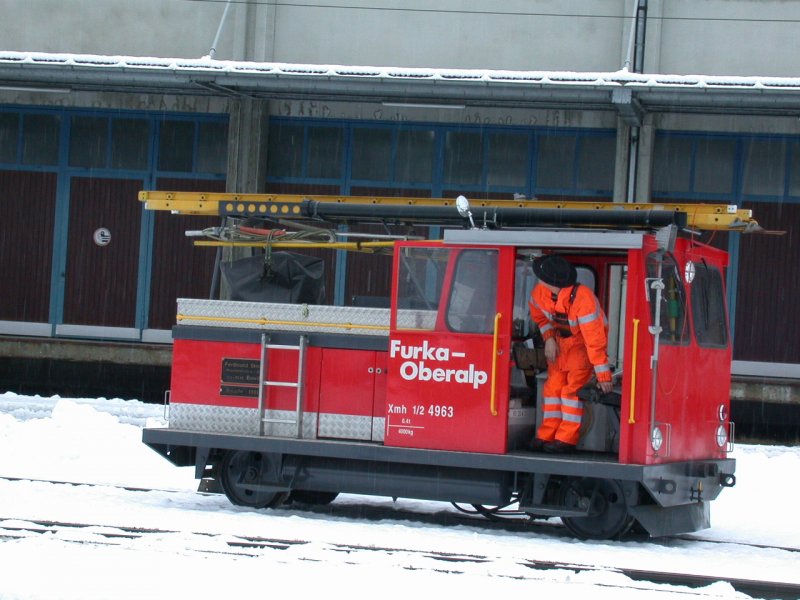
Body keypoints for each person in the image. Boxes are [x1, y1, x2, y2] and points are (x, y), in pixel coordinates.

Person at [527, 254, 613, 453]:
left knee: (570, 393)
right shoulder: (540, 293)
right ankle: (546, 436)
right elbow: (540, 318)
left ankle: (565, 440)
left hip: (581, 352)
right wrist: (549, 337)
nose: (538, 280)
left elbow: (595, 343)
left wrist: (603, 376)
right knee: (552, 390)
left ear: (552, 282)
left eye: (541, 277)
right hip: (559, 349)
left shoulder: (584, 300)